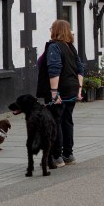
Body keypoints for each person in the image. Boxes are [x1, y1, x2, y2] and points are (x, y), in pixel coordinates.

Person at [36, 19, 84, 167]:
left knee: (55, 122)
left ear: (55, 30)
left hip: (60, 91)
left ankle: (57, 156)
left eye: (51, 28)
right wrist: (79, 90)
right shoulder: (70, 47)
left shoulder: (54, 47)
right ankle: (68, 154)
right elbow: (80, 68)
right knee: (67, 120)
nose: (50, 30)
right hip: (72, 89)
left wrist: (54, 93)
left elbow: (54, 70)